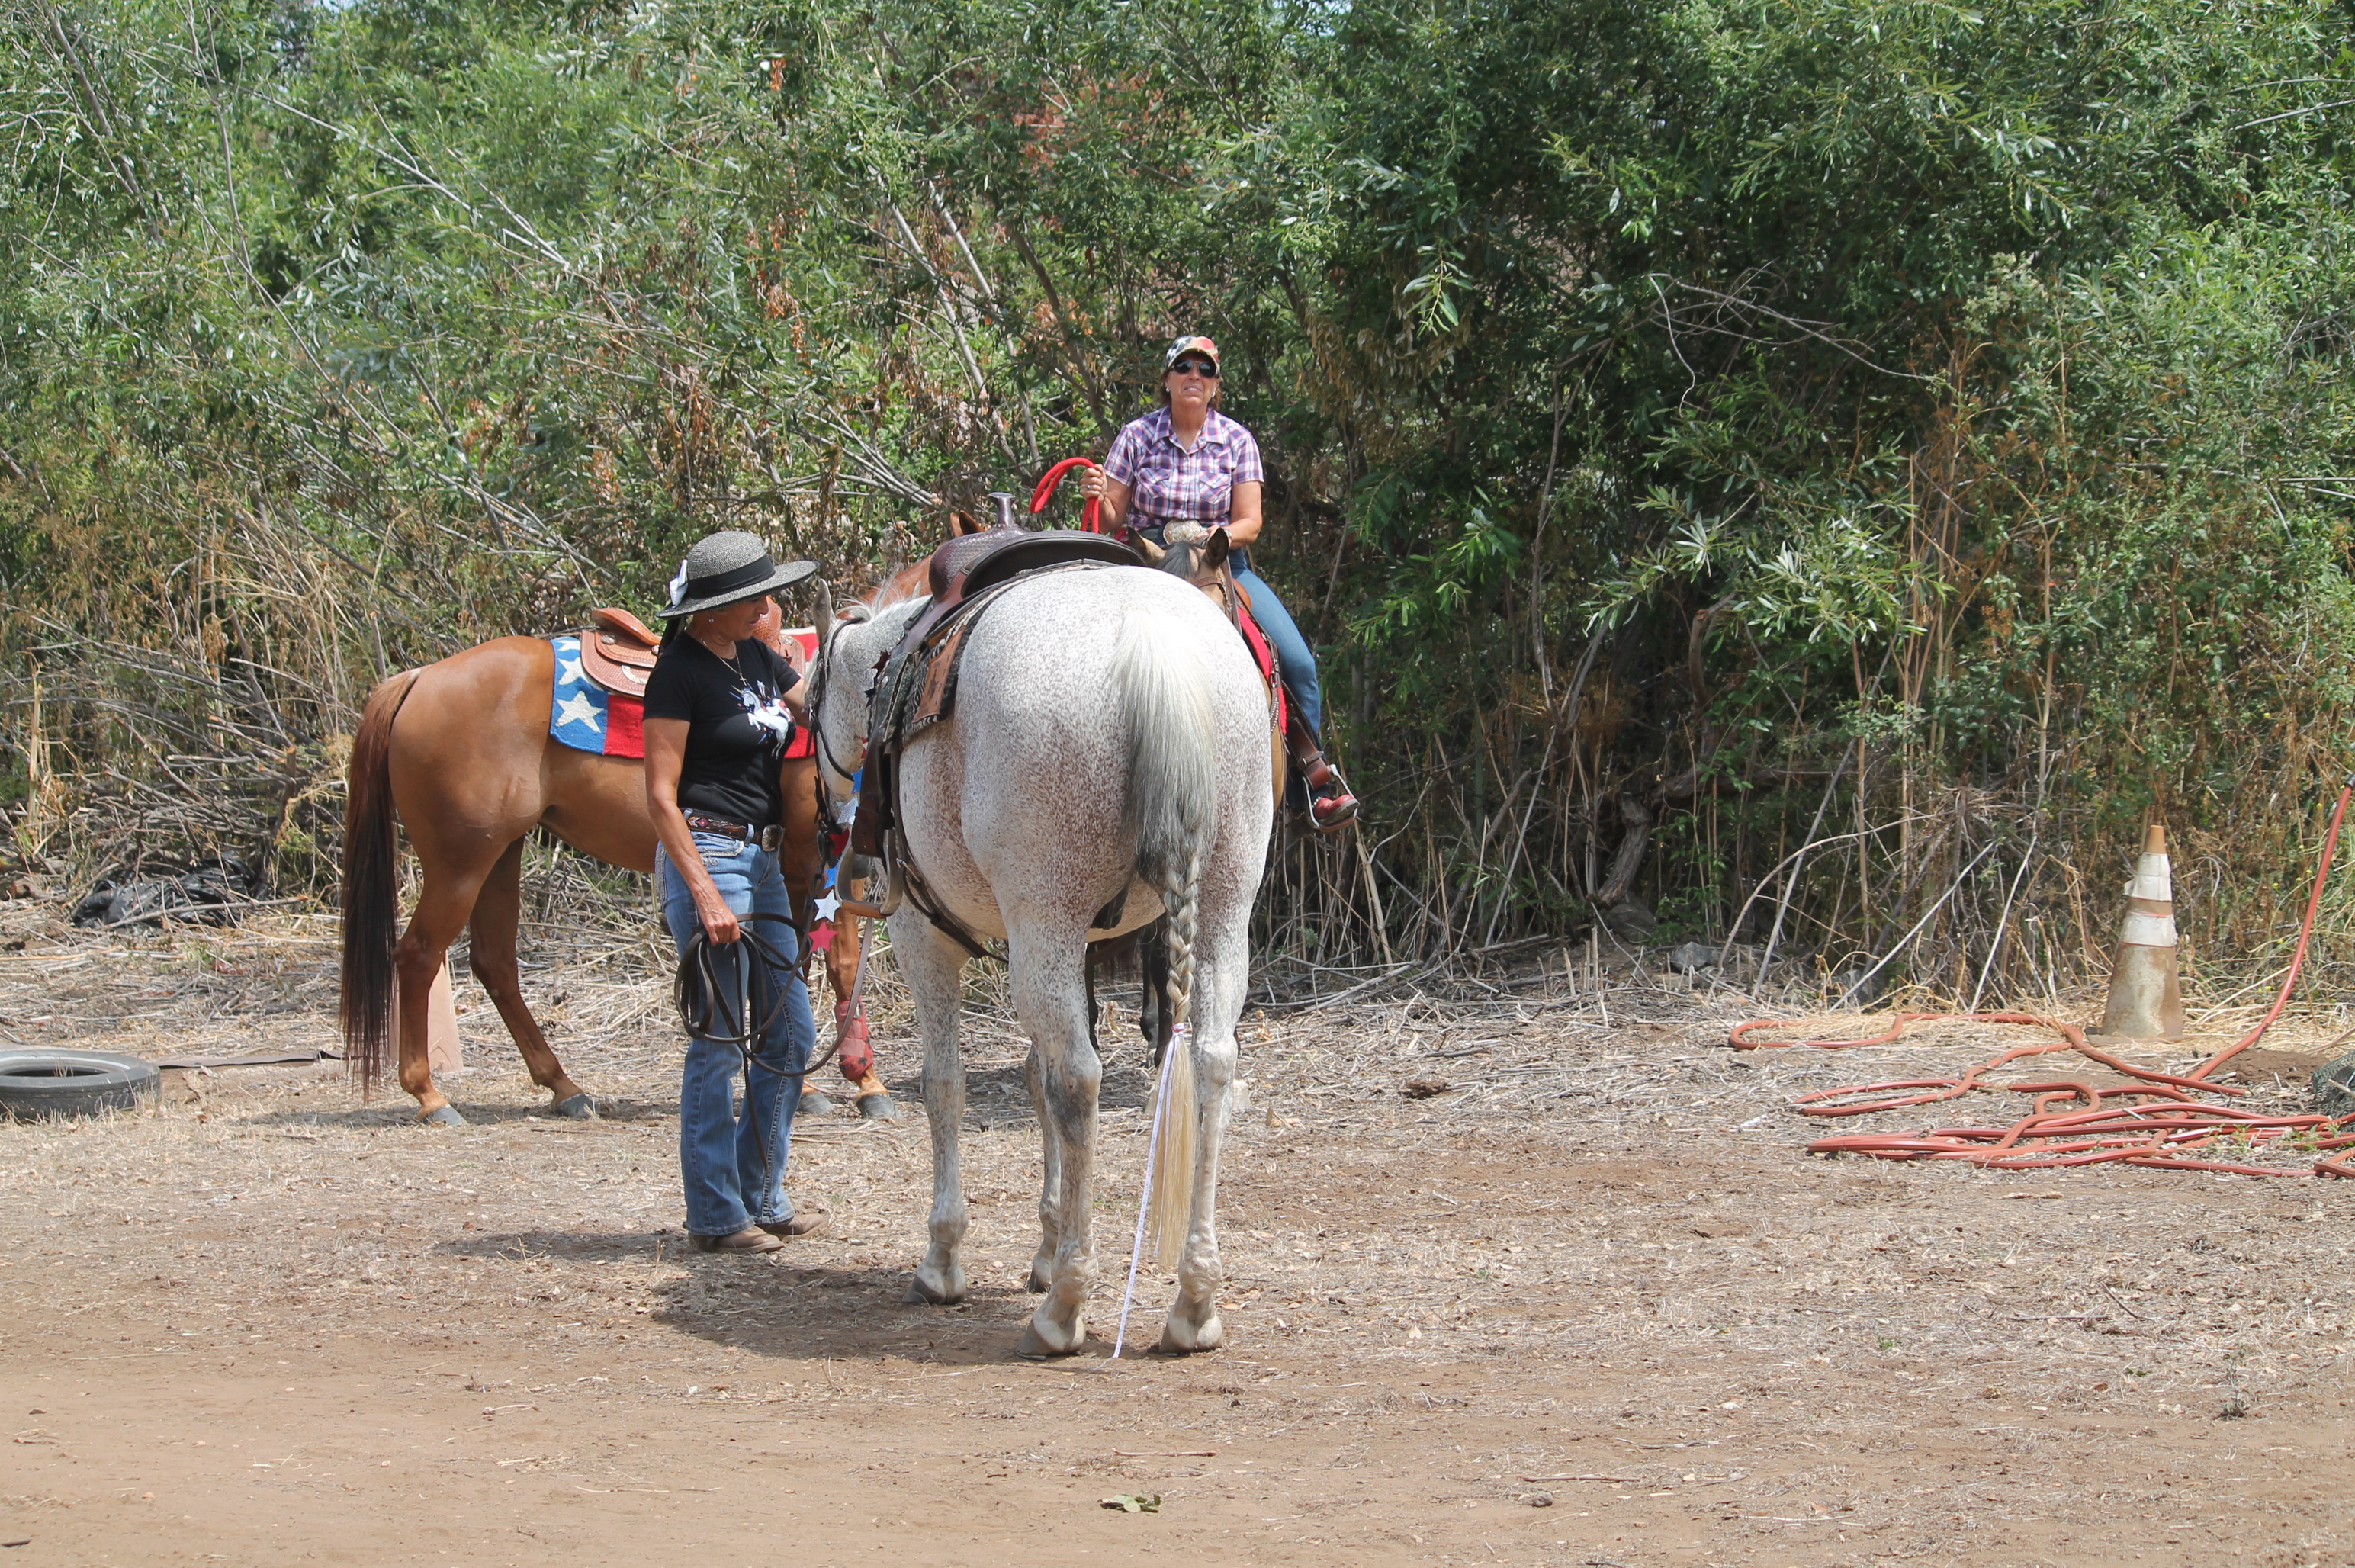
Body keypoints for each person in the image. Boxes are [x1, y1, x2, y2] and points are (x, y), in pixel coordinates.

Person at [1083, 334, 1357, 828]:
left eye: (1205, 370)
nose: (1194, 376)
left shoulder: (1236, 440)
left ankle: (1306, 789)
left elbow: (1250, 522)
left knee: (1296, 662)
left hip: (1220, 563)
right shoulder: (1136, 437)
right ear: (1166, 381)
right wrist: (1100, 493)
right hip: (1147, 561)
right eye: (1184, 367)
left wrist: (1216, 537)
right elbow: (1108, 520)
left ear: (1215, 387)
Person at [644, 531, 826, 1254]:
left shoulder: (754, 655)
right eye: (753, 596)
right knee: (720, 1041)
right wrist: (706, 895)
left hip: (766, 858)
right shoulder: (678, 673)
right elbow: (660, 797)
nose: (766, 605)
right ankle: (717, 1215)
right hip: (709, 850)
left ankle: (762, 1192)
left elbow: (812, 711)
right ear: (714, 608)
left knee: (788, 1030)